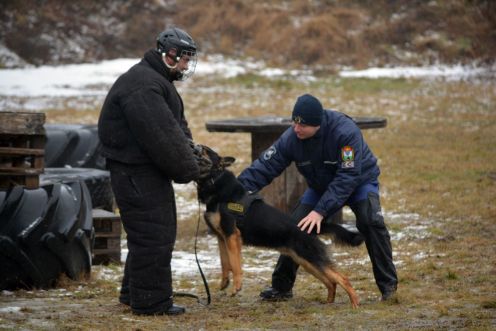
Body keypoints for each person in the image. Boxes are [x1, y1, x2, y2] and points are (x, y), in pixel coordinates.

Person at [238, 94, 398, 302]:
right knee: (293, 227)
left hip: (359, 182)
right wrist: (236, 190)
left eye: (302, 125)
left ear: (318, 124)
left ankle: (389, 287)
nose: (296, 129)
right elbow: (265, 167)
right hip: (321, 187)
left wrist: (320, 212)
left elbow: (348, 177)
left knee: (371, 221)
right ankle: (281, 287)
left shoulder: (345, 133)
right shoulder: (291, 138)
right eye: (294, 122)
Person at [98, 27, 201, 315]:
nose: (185, 66)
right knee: (153, 233)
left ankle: (134, 293)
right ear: (169, 55)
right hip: (135, 172)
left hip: (142, 171)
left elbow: (175, 127)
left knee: (150, 231)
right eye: (183, 59)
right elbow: (162, 136)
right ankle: (151, 303)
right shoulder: (144, 85)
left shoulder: (155, 79)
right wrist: (190, 169)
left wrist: (191, 150)